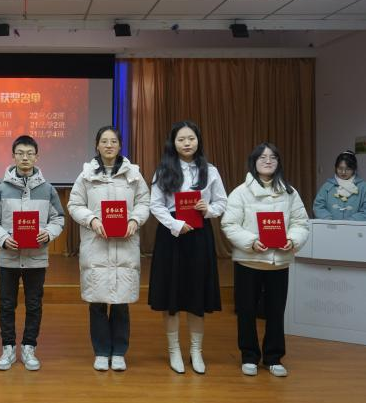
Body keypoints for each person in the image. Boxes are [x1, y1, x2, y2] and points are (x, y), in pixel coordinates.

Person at [221, 142, 309, 378]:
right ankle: (249, 356)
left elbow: (301, 223)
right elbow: (229, 224)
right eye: (262, 157)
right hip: (248, 261)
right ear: (254, 162)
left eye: (273, 157)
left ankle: (273, 357)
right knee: (246, 311)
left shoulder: (290, 192)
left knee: (276, 311)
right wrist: (251, 242)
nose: (268, 161)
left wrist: (292, 239)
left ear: (278, 162)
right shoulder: (240, 192)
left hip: (278, 262)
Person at [67, 126, 150, 372]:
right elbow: (74, 204)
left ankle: (120, 352)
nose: (109, 145)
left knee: (121, 303)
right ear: (97, 145)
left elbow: (144, 202)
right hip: (97, 246)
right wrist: (92, 220)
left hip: (125, 246)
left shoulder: (133, 175)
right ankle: (102, 352)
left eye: (113, 141)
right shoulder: (86, 175)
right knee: (97, 303)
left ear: (120, 145)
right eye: (104, 141)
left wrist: (135, 220)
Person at [147, 120, 227, 375]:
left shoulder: (210, 171)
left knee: (196, 293)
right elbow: (155, 204)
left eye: (191, 138)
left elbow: (222, 202)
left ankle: (196, 351)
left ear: (198, 141)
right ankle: (174, 350)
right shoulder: (163, 170)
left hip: (200, 235)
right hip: (172, 236)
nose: (187, 143)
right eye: (181, 139)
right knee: (171, 293)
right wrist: (175, 224)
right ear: (173, 143)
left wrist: (208, 209)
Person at [0, 135, 65, 371]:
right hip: (7, 258)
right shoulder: (1, 189)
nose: (25, 158)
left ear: (37, 157)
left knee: (34, 305)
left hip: (36, 259)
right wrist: (3, 238)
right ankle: (8, 348)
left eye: (30, 153)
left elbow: (59, 219)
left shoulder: (48, 189)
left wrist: (48, 233)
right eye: (20, 153)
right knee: (7, 305)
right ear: (13, 156)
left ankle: (29, 347)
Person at [313, 150, 366, 220]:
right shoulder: (327, 186)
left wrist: (352, 220)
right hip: (330, 225)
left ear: (354, 169)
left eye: (348, 169)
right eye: (340, 168)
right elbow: (318, 206)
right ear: (336, 168)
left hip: (354, 226)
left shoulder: (362, 187)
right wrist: (327, 218)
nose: (343, 172)